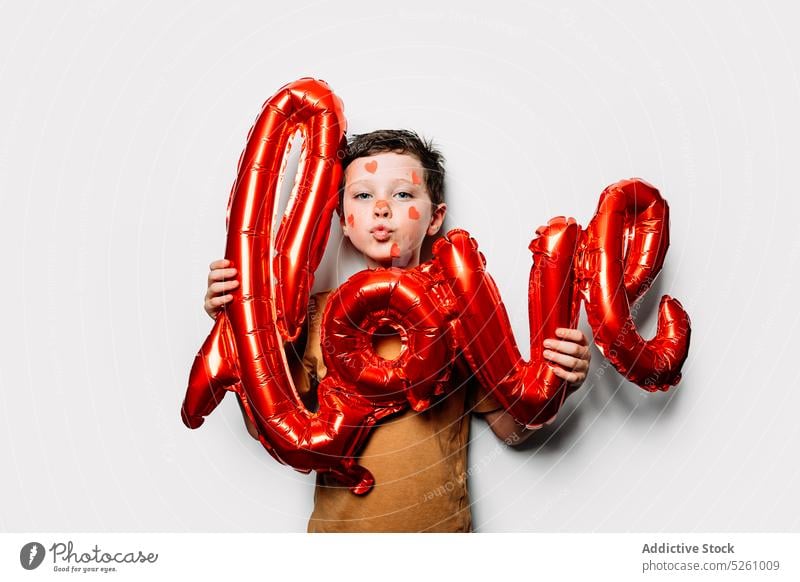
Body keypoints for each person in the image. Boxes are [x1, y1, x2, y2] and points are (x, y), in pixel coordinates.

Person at [202, 130, 591, 532]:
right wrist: (237, 326)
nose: (382, 208)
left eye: (403, 194)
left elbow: (512, 434)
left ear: (435, 218)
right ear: (343, 222)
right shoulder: (309, 314)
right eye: (364, 196)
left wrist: (559, 381)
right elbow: (266, 427)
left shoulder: (465, 313)